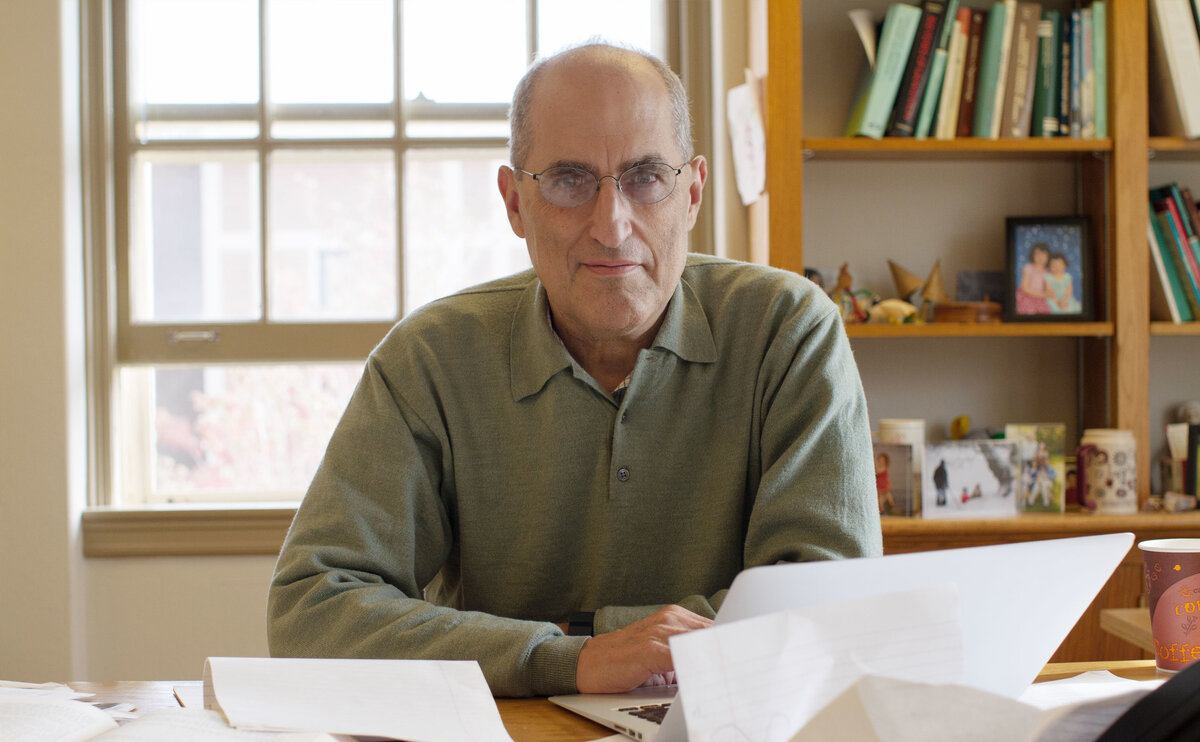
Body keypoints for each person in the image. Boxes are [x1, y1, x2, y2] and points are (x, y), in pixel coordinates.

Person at [267, 42, 881, 699]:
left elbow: (830, 609)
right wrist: (570, 657)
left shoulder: (788, 332)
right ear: (513, 203)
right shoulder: (429, 359)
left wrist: (584, 634)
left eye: (646, 178)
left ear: (693, 192)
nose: (612, 226)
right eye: (569, 181)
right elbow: (310, 613)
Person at [1015, 242, 1053, 314]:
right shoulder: (1029, 267)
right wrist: (1042, 295)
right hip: (1026, 295)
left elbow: (1049, 287)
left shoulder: (1048, 271)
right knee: (1028, 309)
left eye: (1044, 254)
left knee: (1045, 310)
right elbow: (1025, 287)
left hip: (1039, 297)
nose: (1040, 257)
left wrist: (1048, 294)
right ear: (1032, 255)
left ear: (1048, 257)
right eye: (1037, 254)